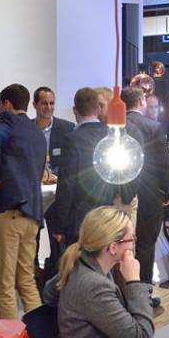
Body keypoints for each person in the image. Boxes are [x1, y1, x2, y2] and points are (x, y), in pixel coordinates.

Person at [42, 207, 154, 338]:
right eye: (132, 239)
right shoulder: (94, 285)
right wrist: (134, 281)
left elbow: (49, 294)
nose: (133, 244)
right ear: (113, 247)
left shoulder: (79, 263)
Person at [0, 84, 47, 320]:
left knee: (4, 285)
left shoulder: (5, 123)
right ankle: (37, 336)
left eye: (0, 104)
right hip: (32, 214)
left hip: (8, 212)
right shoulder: (37, 131)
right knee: (26, 281)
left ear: (7, 104)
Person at [52, 87, 118, 245]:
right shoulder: (112, 136)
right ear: (98, 109)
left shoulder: (71, 139)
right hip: (107, 215)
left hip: (80, 220)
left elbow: (67, 184)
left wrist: (59, 225)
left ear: (75, 110)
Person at [122, 86, 169, 287]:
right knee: (145, 243)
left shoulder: (115, 125)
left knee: (121, 243)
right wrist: (167, 191)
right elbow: (163, 162)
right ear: (141, 102)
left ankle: (122, 288)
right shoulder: (153, 127)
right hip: (149, 193)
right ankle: (143, 290)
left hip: (121, 193)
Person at [33, 86, 75, 280]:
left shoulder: (67, 128)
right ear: (35, 105)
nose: (48, 107)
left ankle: (56, 280)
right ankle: (33, 278)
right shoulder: (28, 129)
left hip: (57, 193)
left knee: (57, 240)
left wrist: (57, 175)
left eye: (51, 103)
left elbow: (70, 161)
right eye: (44, 103)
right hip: (34, 192)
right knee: (31, 240)